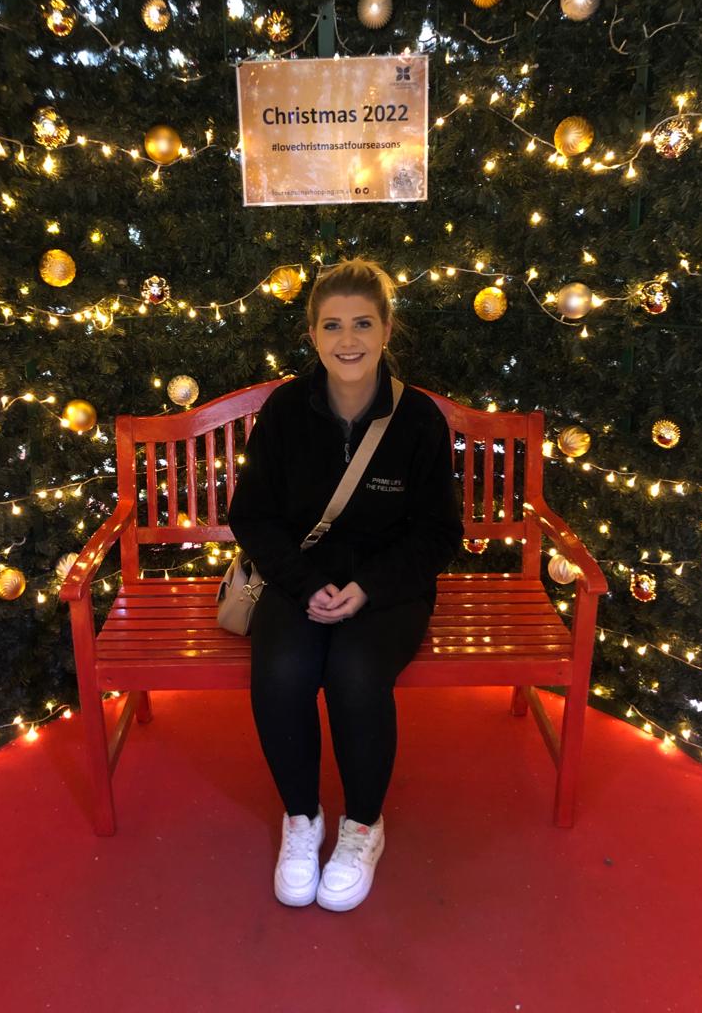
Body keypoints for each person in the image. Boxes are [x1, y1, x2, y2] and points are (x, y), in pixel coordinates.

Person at [227, 257, 463, 912]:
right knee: (282, 672)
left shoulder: (417, 419)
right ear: (312, 335)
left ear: (387, 330)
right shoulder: (285, 411)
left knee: (356, 673)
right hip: (299, 578)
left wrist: (368, 587)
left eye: (363, 323)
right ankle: (302, 819)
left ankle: (362, 825)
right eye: (332, 325)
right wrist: (305, 585)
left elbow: (439, 534)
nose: (348, 339)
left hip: (389, 587)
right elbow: (252, 516)